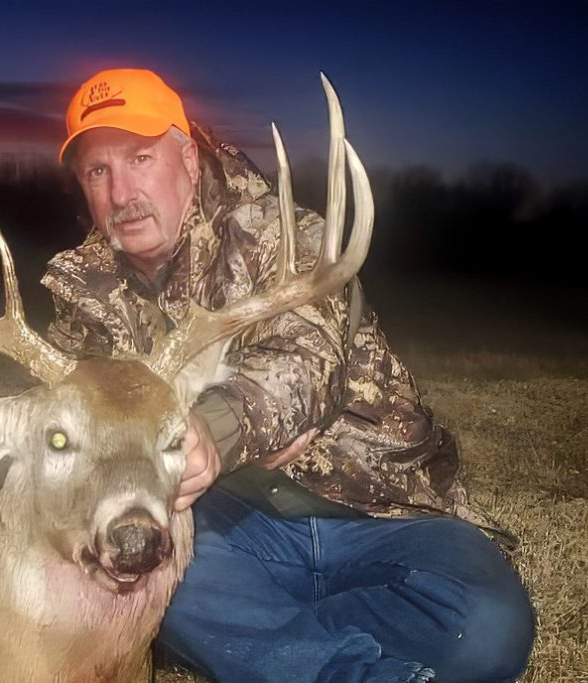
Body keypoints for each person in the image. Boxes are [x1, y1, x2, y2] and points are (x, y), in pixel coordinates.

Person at [43, 68, 535, 683]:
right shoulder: (85, 287)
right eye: (97, 170)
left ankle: (267, 638)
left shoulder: (286, 235)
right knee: (141, 571)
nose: (120, 193)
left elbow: (306, 362)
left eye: (140, 158)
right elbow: (70, 411)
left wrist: (212, 431)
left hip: (387, 514)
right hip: (231, 525)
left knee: (486, 630)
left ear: (188, 160)